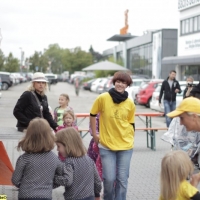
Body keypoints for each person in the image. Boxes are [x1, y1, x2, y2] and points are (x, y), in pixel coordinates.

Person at [90, 71, 135, 200]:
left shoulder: (130, 103)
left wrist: (132, 138)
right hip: (106, 145)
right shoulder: (103, 98)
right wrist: (94, 134)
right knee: (109, 179)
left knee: (122, 180)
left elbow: (131, 123)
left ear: (127, 85)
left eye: (123, 82)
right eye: (118, 81)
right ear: (114, 82)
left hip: (125, 146)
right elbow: (93, 114)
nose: (120, 84)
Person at [11, 118, 71, 200]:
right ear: (49, 136)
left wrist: (24, 185)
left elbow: (15, 179)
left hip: (25, 196)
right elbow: (64, 177)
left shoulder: (25, 158)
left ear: (28, 136)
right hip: (45, 196)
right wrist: (50, 184)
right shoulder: (54, 158)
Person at [55, 127, 102, 200]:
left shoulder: (69, 162)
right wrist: (97, 194)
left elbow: (67, 181)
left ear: (67, 145)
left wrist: (54, 178)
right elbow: (97, 181)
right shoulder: (89, 160)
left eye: (58, 146)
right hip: (90, 197)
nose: (57, 149)